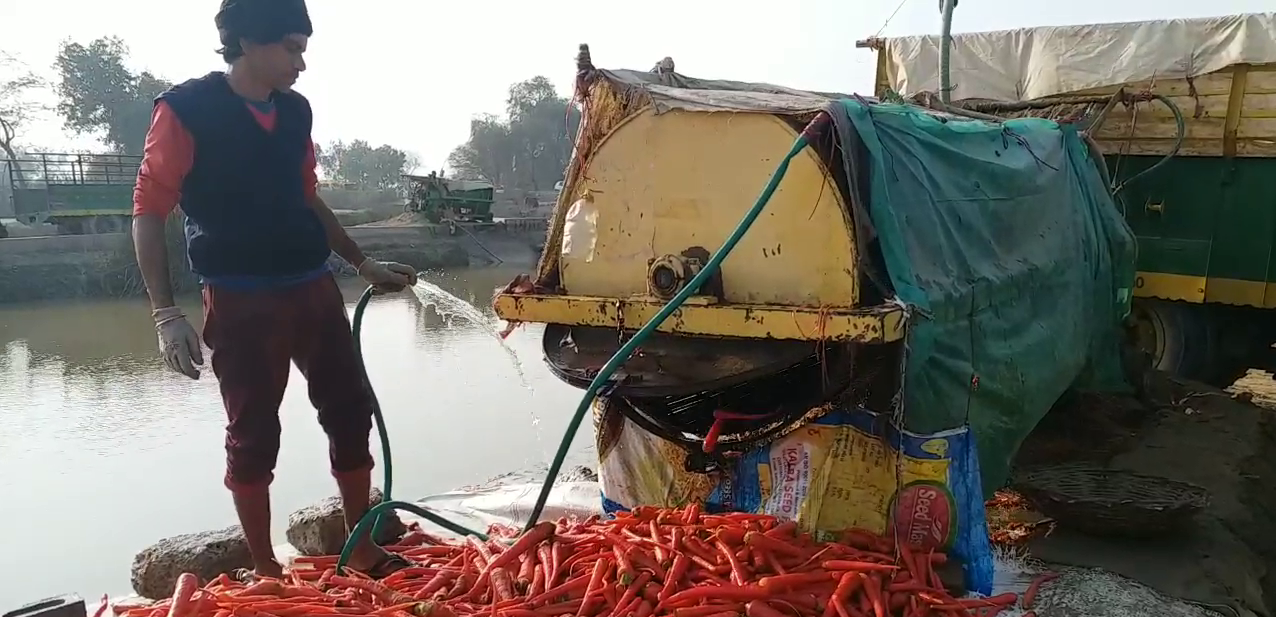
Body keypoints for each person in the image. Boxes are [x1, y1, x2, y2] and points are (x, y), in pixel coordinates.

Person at [131, 0, 417, 580]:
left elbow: (306, 194)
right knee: (254, 431)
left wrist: (362, 263)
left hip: (311, 287)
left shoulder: (294, 112)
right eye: (291, 48)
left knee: (349, 409)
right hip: (239, 299)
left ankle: (360, 548)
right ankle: (264, 569)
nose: (300, 65)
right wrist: (166, 314)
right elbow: (148, 210)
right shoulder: (186, 111)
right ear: (247, 42)